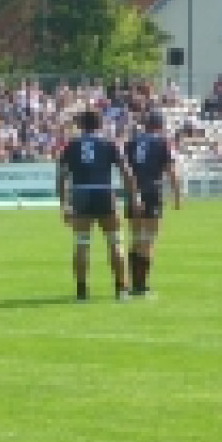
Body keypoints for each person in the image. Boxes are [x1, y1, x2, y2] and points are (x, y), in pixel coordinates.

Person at [56, 108, 140, 302]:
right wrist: (134, 196)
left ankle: (82, 291)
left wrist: (64, 204)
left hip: (80, 193)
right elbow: (126, 171)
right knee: (115, 241)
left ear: (81, 125)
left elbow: (61, 176)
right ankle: (121, 290)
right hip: (104, 192)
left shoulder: (71, 145)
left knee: (81, 243)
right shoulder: (109, 143)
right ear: (100, 124)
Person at [123, 110, 182, 297]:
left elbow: (125, 169)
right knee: (148, 239)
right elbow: (171, 171)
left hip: (133, 192)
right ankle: (141, 287)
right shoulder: (162, 143)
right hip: (151, 191)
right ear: (160, 126)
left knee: (136, 238)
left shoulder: (131, 142)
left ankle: (132, 283)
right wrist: (177, 195)